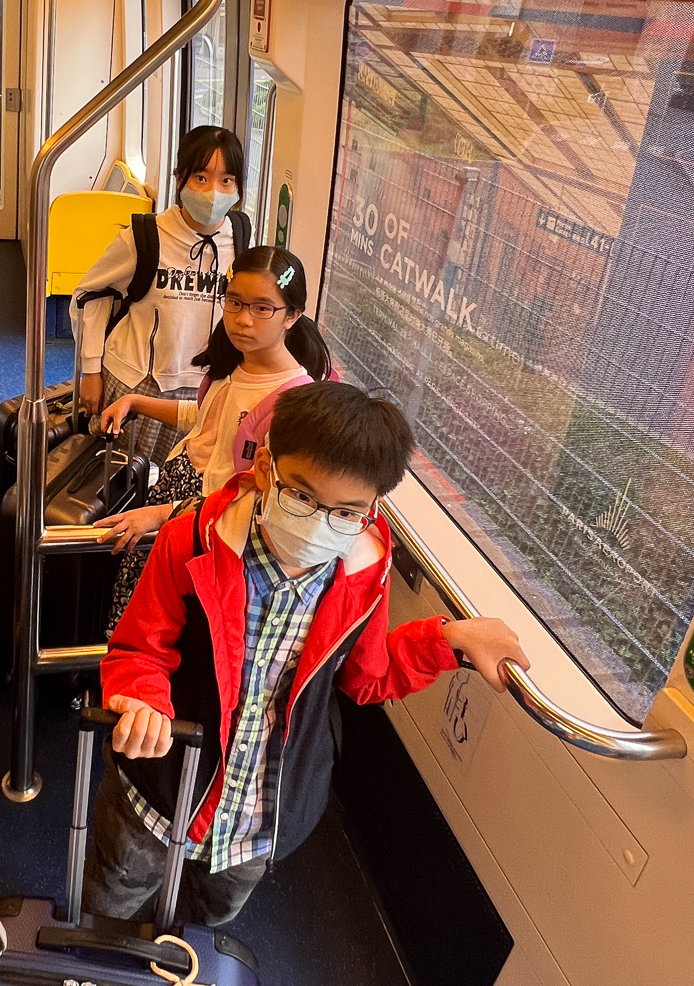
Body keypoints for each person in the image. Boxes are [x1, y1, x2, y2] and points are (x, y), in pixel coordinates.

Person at [83, 380, 527, 927]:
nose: (319, 522)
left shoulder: (362, 575)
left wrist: (449, 639)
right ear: (265, 468)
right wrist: (143, 700)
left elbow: (367, 676)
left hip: (260, 819)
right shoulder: (193, 541)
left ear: (372, 508)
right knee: (113, 897)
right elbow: (140, 647)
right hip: (161, 788)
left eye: (346, 511)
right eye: (301, 496)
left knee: (204, 927)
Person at [98, 245, 330, 626]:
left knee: (165, 623)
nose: (243, 319)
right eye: (234, 303)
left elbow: (251, 499)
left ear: (292, 315)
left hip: (205, 526)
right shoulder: (235, 362)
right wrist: (136, 401)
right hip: (174, 500)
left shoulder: (293, 402)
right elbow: (207, 420)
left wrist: (160, 515)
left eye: (262, 308)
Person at [72, 125, 248, 462]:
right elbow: (91, 295)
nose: (214, 192)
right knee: (120, 477)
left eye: (226, 180)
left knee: (176, 481)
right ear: (179, 179)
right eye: (201, 178)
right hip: (139, 381)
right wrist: (90, 369)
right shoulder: (145, 236)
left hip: (205, 388)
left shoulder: (240, 237)